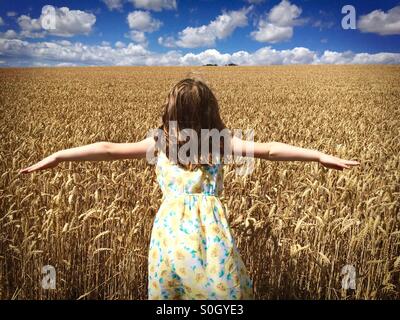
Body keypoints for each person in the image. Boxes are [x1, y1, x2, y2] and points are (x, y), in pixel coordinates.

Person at [19, 76, 360, 300]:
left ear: (171, 111)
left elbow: (107, 148)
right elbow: (270, 149)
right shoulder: (220, 143)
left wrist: (59, 156)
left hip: (169, 235)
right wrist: (318, 155)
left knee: (173, 298)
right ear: (211, 111)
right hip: (212, 235)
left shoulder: (159, 143)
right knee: (220, 296)